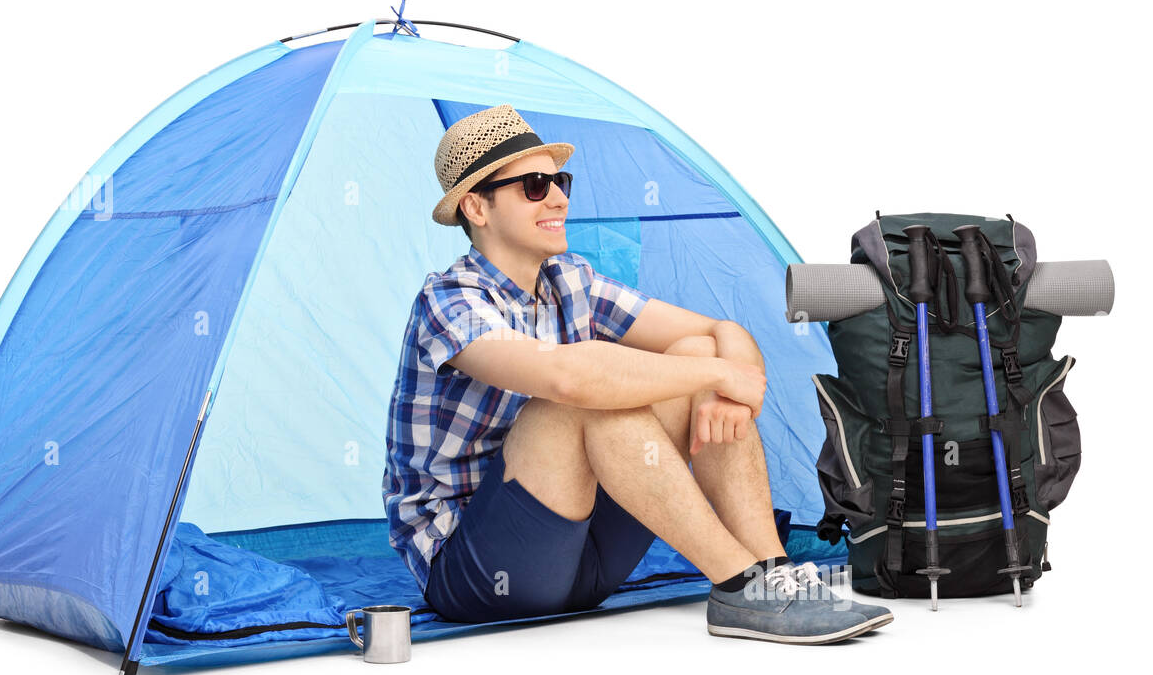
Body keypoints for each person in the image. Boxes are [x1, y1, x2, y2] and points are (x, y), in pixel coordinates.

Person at [382, 104, 892, 644]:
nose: (558, 198)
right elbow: (567, 380)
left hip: (583, 560)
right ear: (475, 208)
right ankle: (737, 582)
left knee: (695, 348)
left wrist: (715, 378)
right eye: (534, 186)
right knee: (582, 399)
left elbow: (724, 332)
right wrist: (715, 376)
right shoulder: (449, 300)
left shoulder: (568, 279)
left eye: (561, 181)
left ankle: (771, 574)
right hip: (480, 575)